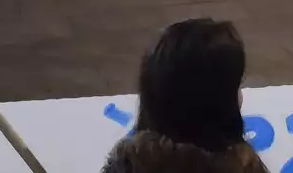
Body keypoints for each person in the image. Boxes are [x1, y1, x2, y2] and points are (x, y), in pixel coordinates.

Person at [100, 19, 267, 173]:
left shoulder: (125, 166)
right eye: (236, 86)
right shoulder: (242, 167)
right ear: (215, 105)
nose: (241, 97)